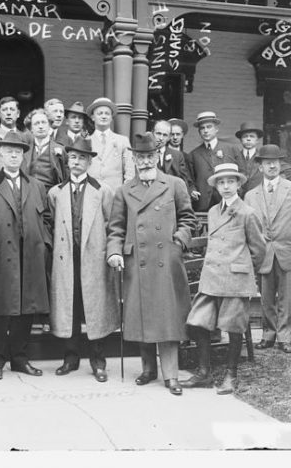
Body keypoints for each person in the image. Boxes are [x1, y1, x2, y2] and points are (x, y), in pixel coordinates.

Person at [107, 132, 197, 395]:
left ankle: (171, 376)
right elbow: (115, 228)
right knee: (143, 316)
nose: (145, 162)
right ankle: (148, 370)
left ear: (157, 157)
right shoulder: (124, 191)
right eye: (140, 157)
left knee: (166, 318)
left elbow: (189, 220)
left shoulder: (174, 184)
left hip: (166, 261)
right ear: (133, 159)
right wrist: (114, 252)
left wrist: (178, 241)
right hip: (138, 261)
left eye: (149, 156)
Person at [0, 131, 52, 380]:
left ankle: (19, 359)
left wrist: (44, 246)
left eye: (18, 151)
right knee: (0, 311)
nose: (14, 155)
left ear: (23, 156)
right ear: (0, 154)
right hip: (1, 255)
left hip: (30, 257)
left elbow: (46, 220)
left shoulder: (37, 186)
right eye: (9, 151)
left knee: (26, 311)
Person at [181, 163, 266, 395]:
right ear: (216, 186)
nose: (226, 186)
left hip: (235, 280)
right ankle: (204, 372)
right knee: (197, 322)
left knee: (233, 326)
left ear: (239, 184)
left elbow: (259, 250)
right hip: (211, 279)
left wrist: (244, 272)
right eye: (221, 182)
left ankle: (231, 374)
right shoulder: (212, 211)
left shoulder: (247, 213)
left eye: (231, 181)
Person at [48, 137, 119, 382]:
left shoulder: (103, 191)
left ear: (90, 162)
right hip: (66, 260)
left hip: (94, 260)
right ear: (68, 161)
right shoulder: (56, 193)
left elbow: (113, 227)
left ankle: (98, 362)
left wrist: (111, 253)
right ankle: (70, 358)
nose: (77, 162)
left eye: (82, 158)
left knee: (94, 310)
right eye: (73, 157)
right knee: (71, 308)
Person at [245, 144, 291, 354]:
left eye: (275, 162)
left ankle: (285, 337)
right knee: (266, 297)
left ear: (281, 164)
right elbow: (249, 224)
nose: (272, 166)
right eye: (267, 163)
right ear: (260, 167)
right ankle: (268, 335)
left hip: (288, 248)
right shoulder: (251, 195)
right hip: (264, 252)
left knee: (287, 297)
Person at [187, 111, 242, 212]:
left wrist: (237, 191)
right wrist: (192, 190)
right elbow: (190, 180)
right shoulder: (193, 155)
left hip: (228, 202)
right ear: (199, 132)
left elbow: (241, 172)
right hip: (203, 204)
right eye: (202, 128)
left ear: (216, 129)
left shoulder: (231, 149)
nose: (206, 131)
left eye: (209, 127)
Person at [87, 97, 135, 190]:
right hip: (91, 194)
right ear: (93, 117)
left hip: (115, 195)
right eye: (100, 113)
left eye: (107, 113)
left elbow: (130, 171)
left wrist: (123, 193)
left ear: (111, 118)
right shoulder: (86, 141)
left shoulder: (122, 141)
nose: (104, 116)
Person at [22, 108, 68, 192]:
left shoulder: (60, 150)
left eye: (43, 122)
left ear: (49, 126)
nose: (40, 126)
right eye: (36, 123)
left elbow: (65, 177)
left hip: (51, 195)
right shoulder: (25, 150)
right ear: (31, 129)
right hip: (29, 195)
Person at [152, 120, 194, 194]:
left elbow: (184, 181)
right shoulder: (144, 153)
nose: (161, 138)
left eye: (165, 135)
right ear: (152, 133)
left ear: (168, 137)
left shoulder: (177, 156)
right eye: (158, 134)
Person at [235, 121, 264, 194]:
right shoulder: (234, 157)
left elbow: (289, 170)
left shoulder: (263, 157)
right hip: (238, 198)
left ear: (257, 140)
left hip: (257, 198)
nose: (248, 139)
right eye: (245, 136)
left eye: (252, 136)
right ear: (241, 140)